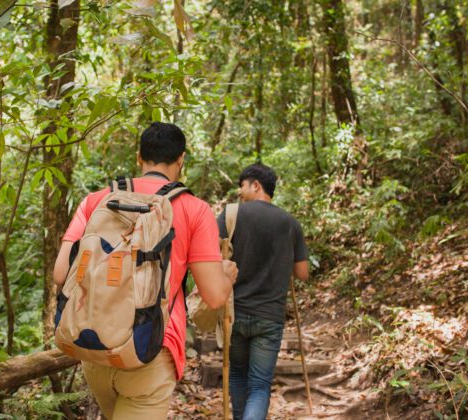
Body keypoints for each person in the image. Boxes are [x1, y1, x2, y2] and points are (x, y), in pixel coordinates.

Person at [53, 122, 238, 420]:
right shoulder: (194, 209)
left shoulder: (96, 201)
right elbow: (214, 297)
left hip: (96, 346)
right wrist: (227, 277)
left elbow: (61, 274)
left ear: (139, 157)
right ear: (181, 160)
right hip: (149, 349)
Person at [217, 163, 309, 420]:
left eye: (242, 186)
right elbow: (302, 273)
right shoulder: (290, 223)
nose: (240, 192)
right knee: (259, 384)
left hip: (234, 312)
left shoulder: (231, 215)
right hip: (269, 316)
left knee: (237, 375)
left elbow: (211, 256)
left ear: (255, 185)